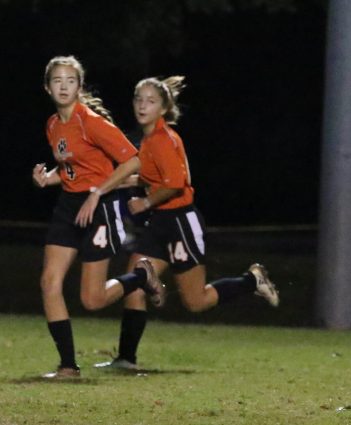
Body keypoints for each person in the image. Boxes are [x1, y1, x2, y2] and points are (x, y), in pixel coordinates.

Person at [94, 76, 280, 370]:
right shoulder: (148, 139)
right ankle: (126, 359)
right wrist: (110, 185)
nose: (143, 105)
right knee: (135, 282)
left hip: (181, 222)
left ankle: (252, 280)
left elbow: (177, 184)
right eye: (139, 99)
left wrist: (143, 202)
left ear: (164, 107)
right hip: (160, 223)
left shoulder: (164, 139)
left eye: (150, 101)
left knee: (196, 301)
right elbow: (151, 177)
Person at [32, 56, 166, 379]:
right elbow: (72, 169)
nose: (64, 87)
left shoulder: (90, 121)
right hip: (69, 206)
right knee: (49, 282)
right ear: (47, 87)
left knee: (92, 300)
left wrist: (97, 191)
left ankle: (140, 277)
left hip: (101, 207)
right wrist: (47, 177)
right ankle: (68, 366)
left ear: (79, 86)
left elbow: (133, 162)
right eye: (57, 81)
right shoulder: (53, 125)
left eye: (70, 81)